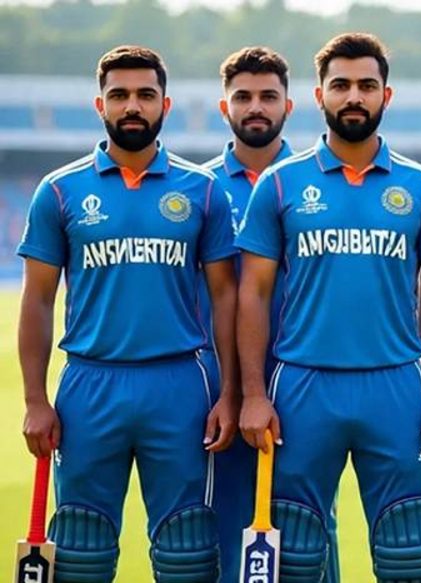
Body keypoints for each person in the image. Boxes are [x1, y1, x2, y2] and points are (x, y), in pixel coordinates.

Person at [236, 33, 421, 583]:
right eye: (341, 85)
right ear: (320, 95)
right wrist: (253, 394)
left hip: (396, 386)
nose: (354, 96)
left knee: (411, 552)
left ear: (387, 94)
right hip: (303, 386)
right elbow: (253, 294)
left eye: (366, 85)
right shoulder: (280, 184)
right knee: (294, 555)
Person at [18, 45, 238, 582]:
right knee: (81, 548)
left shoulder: (202, 190)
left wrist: (231, 393)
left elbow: (226, 299)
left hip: (179, 385)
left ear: (165, 103)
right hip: (90, 385)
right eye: (119, 95)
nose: (132, 106)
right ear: (100, 105)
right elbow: (38, 299)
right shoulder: (60, 190)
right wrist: (35, 400)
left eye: (145, 94)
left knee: (187, 549)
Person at [201, 45, 300, 583]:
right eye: (243, 97)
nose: (256, 107)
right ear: (225, 107)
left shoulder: (312, 180)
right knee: (221, 525)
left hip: (300, 375)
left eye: (268, 96)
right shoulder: (198, 187)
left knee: (305, 531)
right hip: (217, 385)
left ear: (289, 105)